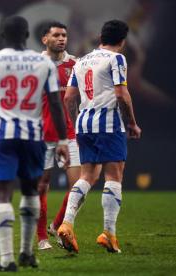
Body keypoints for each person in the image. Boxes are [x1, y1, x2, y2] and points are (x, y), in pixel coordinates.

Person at [0, 15, 70, 272]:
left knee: (1, 194)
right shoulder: (43, 63)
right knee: (31, 190)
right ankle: (27, 253)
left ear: (2, 35)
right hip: (34, 135)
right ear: (27, 36)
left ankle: (6, 260)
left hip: (1, 134)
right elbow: (56, 103)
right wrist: (64, 138)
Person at [59, 20, 141, 254]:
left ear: (100, 36)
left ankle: (66, 224)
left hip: (84, 124)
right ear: (122, 41)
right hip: (108, 124)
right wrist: (132, 124)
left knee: (87, 176)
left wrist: (77, 122)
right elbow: (122, 95)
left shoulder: (82, 61)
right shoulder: (116, 59)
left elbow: (68, 98)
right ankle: (109, 233)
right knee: (113, 175)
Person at [36, 22, 81, 250]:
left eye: (64, 34)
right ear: (45, 39)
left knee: (79, 186)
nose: (61, 38)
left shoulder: (76, 64)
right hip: (42, 134)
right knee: (42, 185)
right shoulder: (35, 64)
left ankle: (58, 225)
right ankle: (42, 237)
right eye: (56, 35)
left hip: (71, 133)